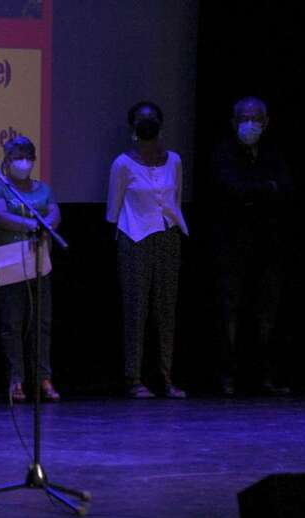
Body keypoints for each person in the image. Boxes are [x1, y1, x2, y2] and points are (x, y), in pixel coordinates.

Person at [210, 96, 292, 396]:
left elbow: (286, 187)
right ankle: (227, 375)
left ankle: (264, 375)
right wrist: (265, 189)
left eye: (256, 118)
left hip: (268, 244)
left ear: (266, 122)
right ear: (234, 122)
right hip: (232, 243)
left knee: (267, 310)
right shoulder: (223, 153)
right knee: (228, 309)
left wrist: (254, 192)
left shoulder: (273, 153)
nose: (250, 123)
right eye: (244, 118)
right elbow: (231, 188)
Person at [106, 101, 188, 399]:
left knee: (166, 309)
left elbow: (176, 199)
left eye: (152, 118)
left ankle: (165, 376)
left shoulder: (174, 161)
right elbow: (113, 209)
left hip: (168, 237)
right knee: (136, 309)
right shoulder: (123, 164)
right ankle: (133, 378)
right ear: (133, 126)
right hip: (135, 238)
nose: (147, 122)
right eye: (142, 119)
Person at [0, 135, 61, 403]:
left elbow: (54, 213)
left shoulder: (43, 189)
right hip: (10, 258)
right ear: (7, 161)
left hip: (39, 258)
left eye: (28, 157)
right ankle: (16, 379)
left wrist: (47, 223)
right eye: (18, 157)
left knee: (42, 321)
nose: (24, 162)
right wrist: (30, 224)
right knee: (13, 322)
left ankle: (43, 377)